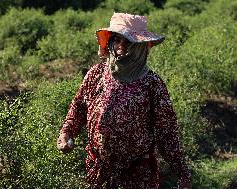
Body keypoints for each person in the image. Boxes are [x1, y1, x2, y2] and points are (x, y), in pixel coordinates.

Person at [57, 12, 192, 189]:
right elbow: (79, 106)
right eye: (116, 39)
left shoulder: (152, 84)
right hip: (99, 171)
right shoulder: (96, 74)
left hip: (138, 173)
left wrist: (182, 172)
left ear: (140, 47)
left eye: (128, 41)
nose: (120, 46)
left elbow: (166, 133)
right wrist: (67, 132)